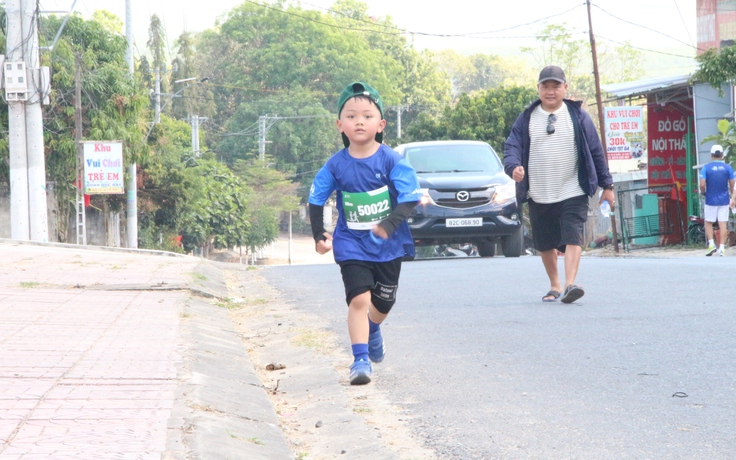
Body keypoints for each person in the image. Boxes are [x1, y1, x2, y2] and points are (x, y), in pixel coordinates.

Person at [308, 82, 422, 385]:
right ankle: (359, 360)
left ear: (380, 124)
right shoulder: (335, 165)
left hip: (389, 245)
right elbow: (316, 198)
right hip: (351, 244)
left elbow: (411, 197)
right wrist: (320, 234)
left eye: (367, 116)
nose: (359, 121)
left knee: (383, 303)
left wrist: (387, 225)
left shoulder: (392, 161)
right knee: (359, 299)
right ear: (340, 125)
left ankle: (373, 329)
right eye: (351, 116)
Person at [503, 65, 614, 304]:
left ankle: (570, 283)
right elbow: (512, 146)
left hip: (572, 188)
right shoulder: (527, 118)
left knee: (573, 234)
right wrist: (513, 168)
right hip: (539, 192)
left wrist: (608, 186)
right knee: (545, 242)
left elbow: (595, 151)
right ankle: (555, 284)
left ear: (565, 88)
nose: (550, 91)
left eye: (556, 86)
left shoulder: (578, 116)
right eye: (546, 86)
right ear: (538, 89)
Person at [701, 144, 734, 256]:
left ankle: (711, 244)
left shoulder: (706, 168)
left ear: (711, 155)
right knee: (722, 223)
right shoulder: (728, 168)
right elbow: (732, 184)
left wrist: (703, 192)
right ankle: (722, 248)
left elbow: (702, 184)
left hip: (710, 199)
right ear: (722, 155)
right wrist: (732, 197)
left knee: (708, 222)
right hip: (724, 200)